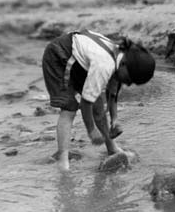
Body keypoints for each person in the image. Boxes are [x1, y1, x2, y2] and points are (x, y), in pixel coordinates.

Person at [42, 29, 155, 170]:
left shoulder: (120, 61)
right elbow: (85, 103)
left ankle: (111, 147)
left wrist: (115, 121)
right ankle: (63, 161)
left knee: (99, 105)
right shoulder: (105, 65)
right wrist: (92, 131)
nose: (129, 83)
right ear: (125, 64)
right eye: (130, 79)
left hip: (80, 60)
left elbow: (112, 95)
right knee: (69, 108)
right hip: (60, 56)